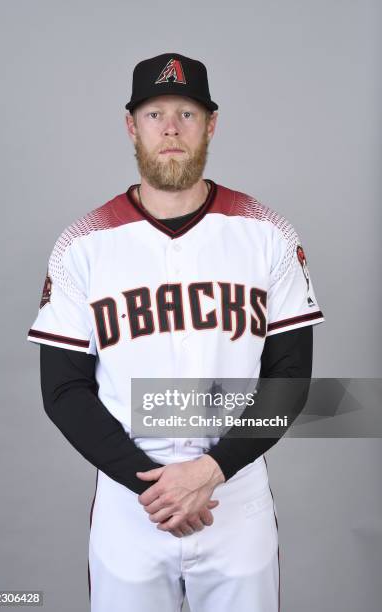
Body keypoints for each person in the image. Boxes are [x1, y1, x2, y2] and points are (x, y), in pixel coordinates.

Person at [27, 52, 325, 612]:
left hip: (234, 493)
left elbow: (291, 379)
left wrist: (210, 471)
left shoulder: (268, 234)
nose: (170, 128)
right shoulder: (83, 244)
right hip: (130, 504)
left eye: (186, 114)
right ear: (131, 125)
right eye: (154, 113)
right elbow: (63, 390)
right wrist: (153, 488)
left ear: (211, 124)